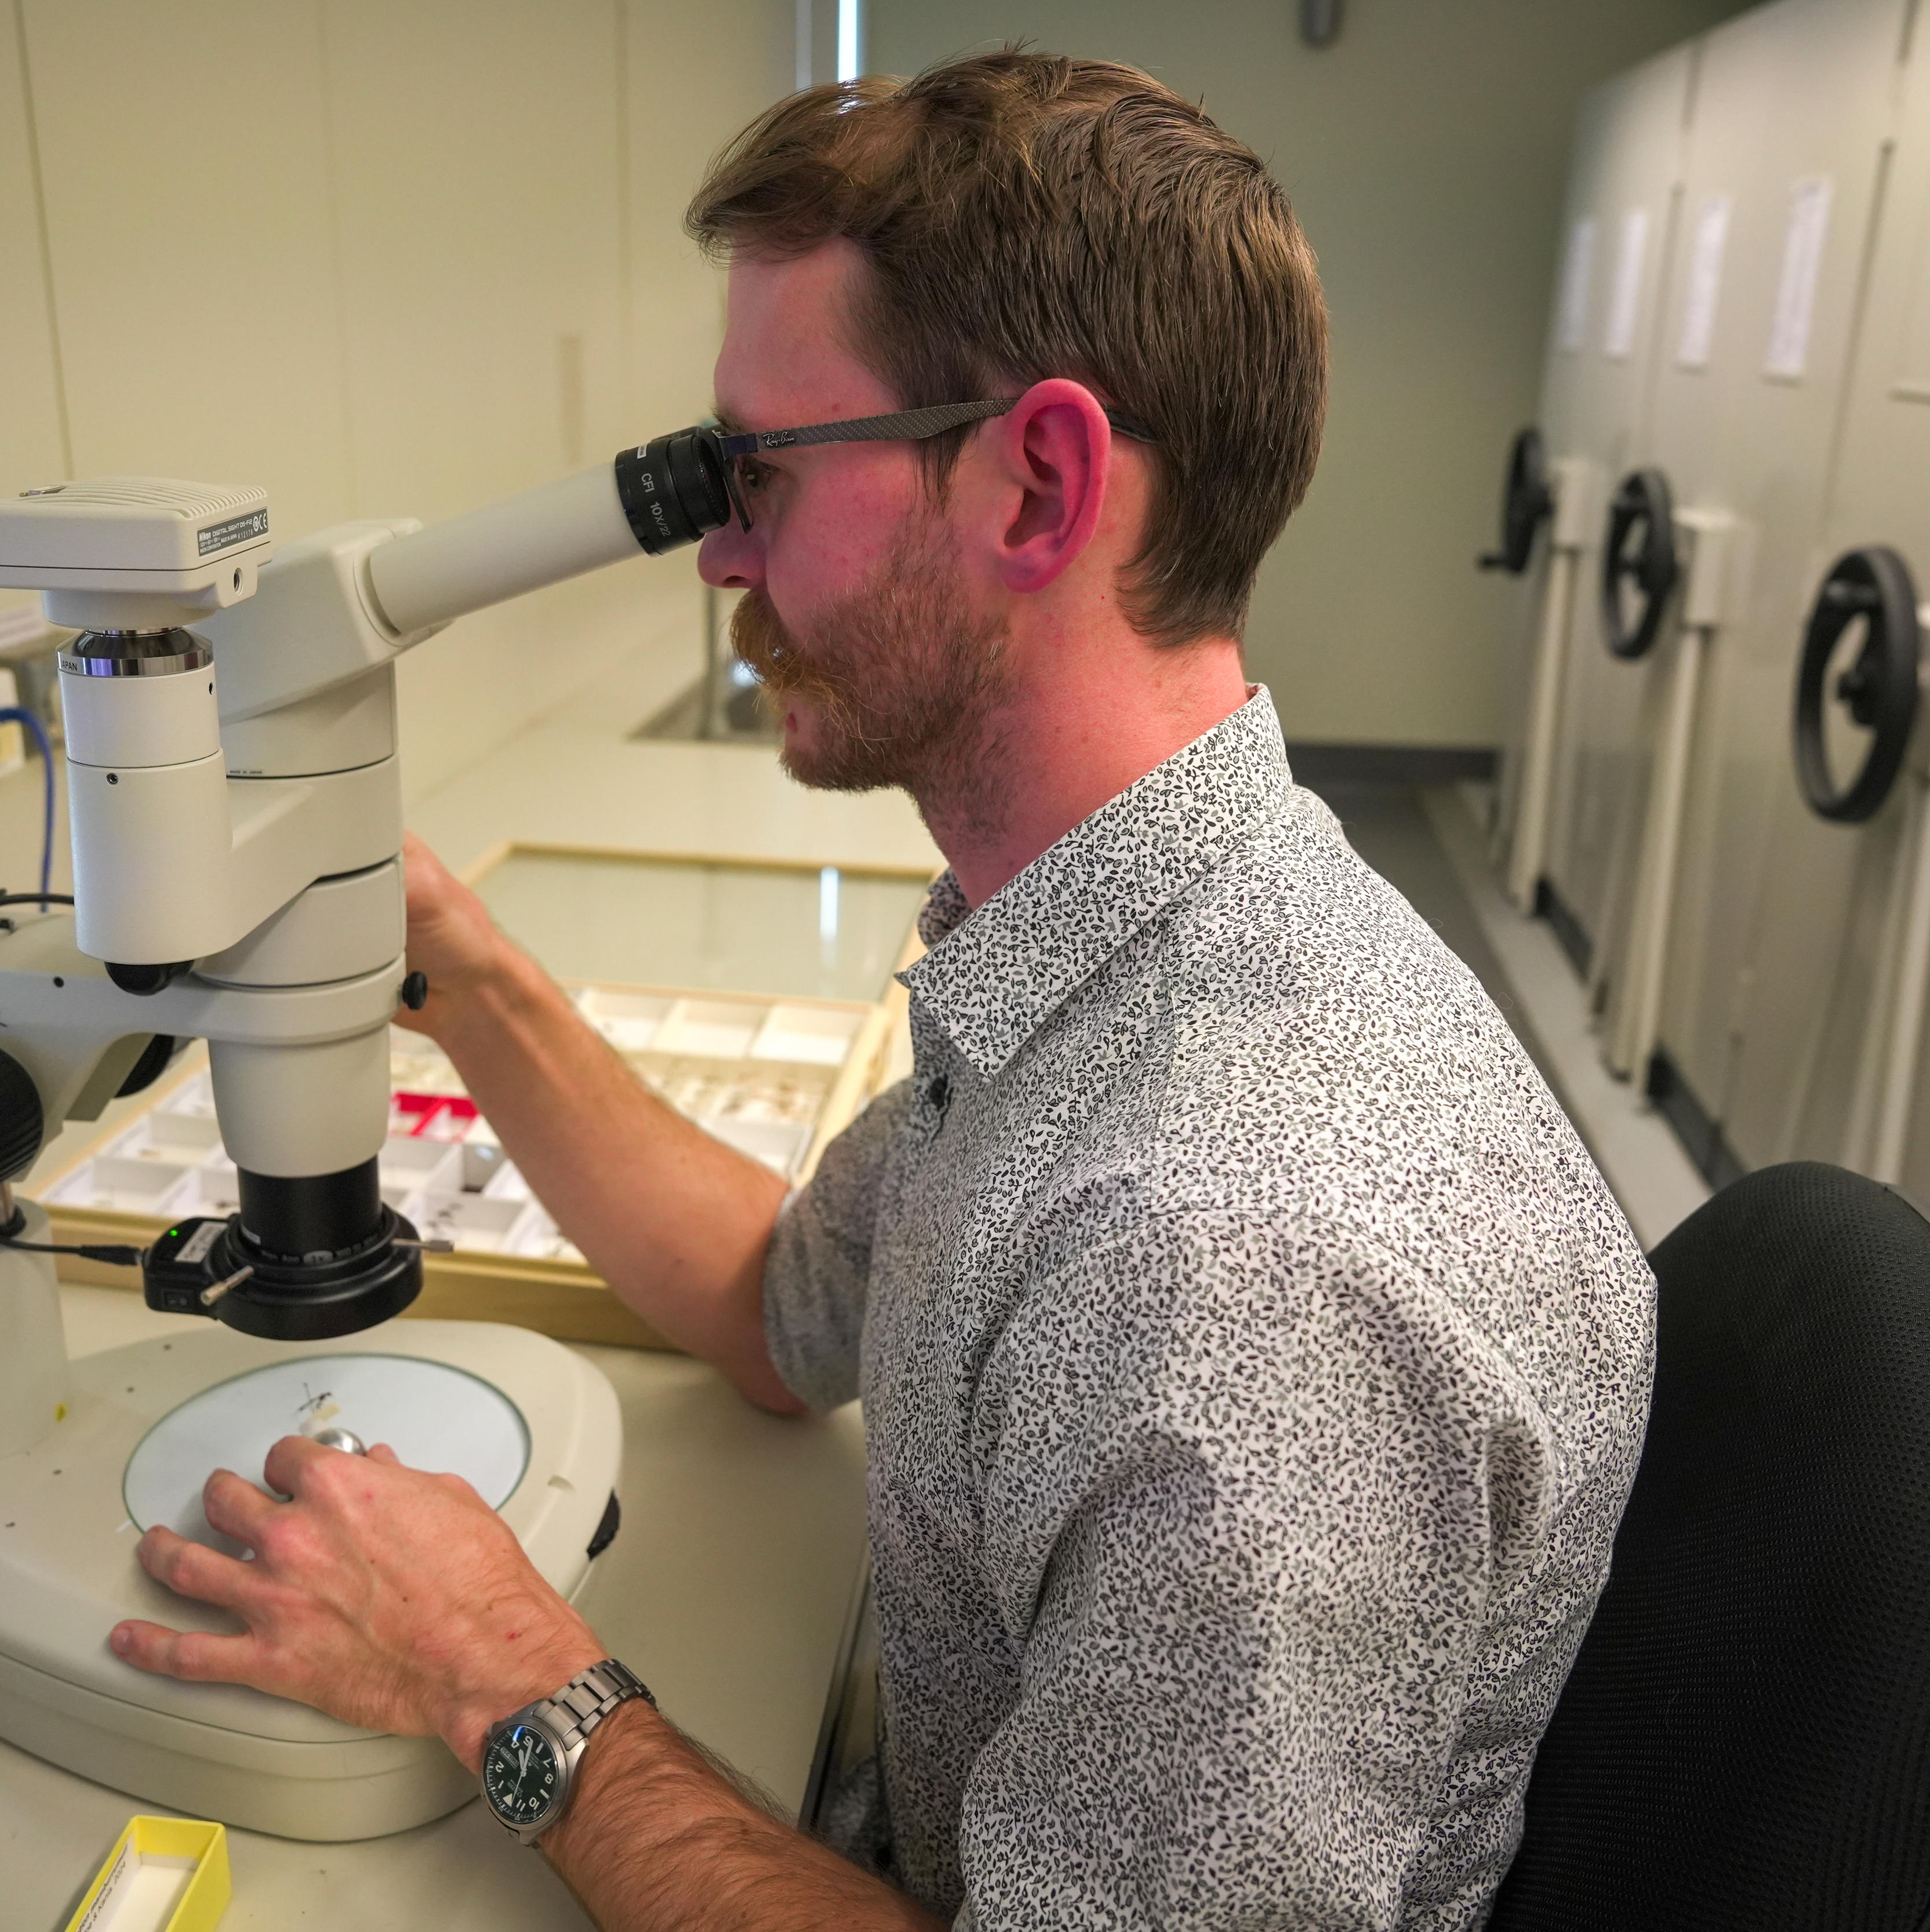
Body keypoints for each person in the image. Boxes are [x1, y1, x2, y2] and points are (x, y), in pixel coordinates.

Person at [106, 49, 1653, 1930]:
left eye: (761, 472)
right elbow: (781, 1309)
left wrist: (500, 1677)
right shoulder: (1109, 943)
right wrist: (448, 955)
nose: (724, 557)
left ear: (1039, 487)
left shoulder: (1230, 1257)